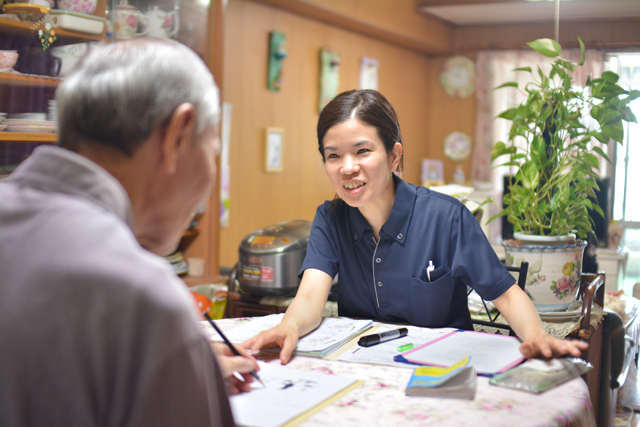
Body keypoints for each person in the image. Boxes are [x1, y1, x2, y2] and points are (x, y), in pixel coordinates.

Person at [0, 38, 258, 426]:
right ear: (178, 135)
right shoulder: (143, 296)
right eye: (213, 149)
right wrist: (165, 353)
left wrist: (165, 368)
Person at [244, 89, 588, 364]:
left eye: (362, 151)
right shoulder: (329, 218)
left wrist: (535, 336)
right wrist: (288, 326)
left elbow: (506, 295)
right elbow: (309, 296)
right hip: (368, 369)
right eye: (333, 155)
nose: (347, 168)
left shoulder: (446, 218)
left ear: (394, 156)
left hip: (443, 371)